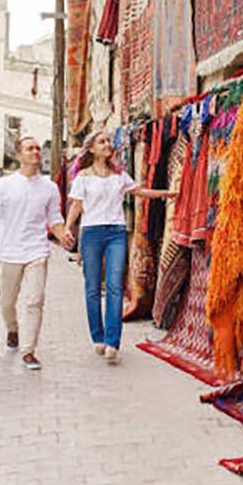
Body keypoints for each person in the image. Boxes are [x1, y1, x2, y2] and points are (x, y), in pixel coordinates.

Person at [65, 131, 176, 365]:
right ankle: (98, 337)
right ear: (92, 149)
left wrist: (166, 194)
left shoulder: (119, 175)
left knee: (115, 285)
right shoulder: (83, 177)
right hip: (92, 234)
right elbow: (76, 208)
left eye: (108, 141)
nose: (107, 144)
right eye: (102, 141)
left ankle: (113, 341)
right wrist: (68, 231)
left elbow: (139, 191)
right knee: (93, 287)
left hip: (116, 232)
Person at [0, 136, 74, 370]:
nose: (35, 151)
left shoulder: (50, 187)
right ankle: (12, 330)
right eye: (29, 148)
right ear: (19, 155)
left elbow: (54, 218)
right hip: (10, 251)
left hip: (37, 250)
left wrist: (62, 233)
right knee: (7, 302)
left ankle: (28, 351)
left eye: (36, 148)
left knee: (35, 300)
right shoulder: (5, 185)